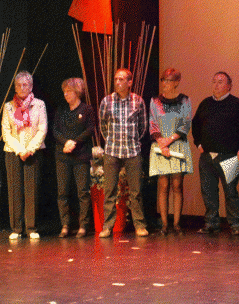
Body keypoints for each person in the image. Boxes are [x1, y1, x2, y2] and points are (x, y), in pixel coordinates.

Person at [192, 71, 239, 235]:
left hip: (230, 155)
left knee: (230, 191)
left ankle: (236, 224)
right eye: (214, 81)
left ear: (229, 86)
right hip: (207, 156)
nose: (216, 85)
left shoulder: (237, 105)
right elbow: (195, 125)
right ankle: (211, 223)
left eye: (220, 82)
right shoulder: (205, 104)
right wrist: (198, 144)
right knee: (208, 191)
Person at [98, 68, 149, 238]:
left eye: (121, 79)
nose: (117, 82)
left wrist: (132, 140)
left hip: (132, 150)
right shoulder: (107, 101)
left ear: (129, 82)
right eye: (116, 79)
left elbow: (142, 126)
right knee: (110, 191)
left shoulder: (138, 101)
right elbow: (103, 125)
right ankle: (107, 227)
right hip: (112, 151)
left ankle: (139, 225)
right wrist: (111, 140)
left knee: (136, 191)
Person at [2, 71, 47, 240]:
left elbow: (42, 129)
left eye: (25, 84)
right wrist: (20, 150)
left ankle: (31, 228)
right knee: (15, 190)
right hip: (13, 152)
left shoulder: (39, 105)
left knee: (31, 189)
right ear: (15, 87)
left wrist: (30, 149)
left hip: (33, 151)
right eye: (19, 85)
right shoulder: (8, 106)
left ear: (31, 86)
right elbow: (6, 132)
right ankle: (16, 228)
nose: (22, 87)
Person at [149, 68, 193, 235]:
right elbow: (153, 122)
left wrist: (169, 140)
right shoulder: (155, 101)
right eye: (163, 80)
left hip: (177, 144)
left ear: (176, 82)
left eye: (168, 80)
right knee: (163, 185)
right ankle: (164, 224)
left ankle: (176, 223)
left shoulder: (184, 100)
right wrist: (162, 142)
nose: (165, 83)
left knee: (177, 185)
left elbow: (186, 123)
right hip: (161, 145)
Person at [52, 78, 96, 238]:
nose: (65, 94)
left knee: (82, 192)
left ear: (77, 92)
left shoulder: (87, 109)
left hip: (81, 155)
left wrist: (74, 143)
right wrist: (66, 142)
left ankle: (83, 225)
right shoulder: (61, 110)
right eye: (64, 91)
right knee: (62, 192)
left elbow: (90, 129)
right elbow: (55, 130)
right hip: (62, 155)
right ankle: (65, 225)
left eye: (69, 91)